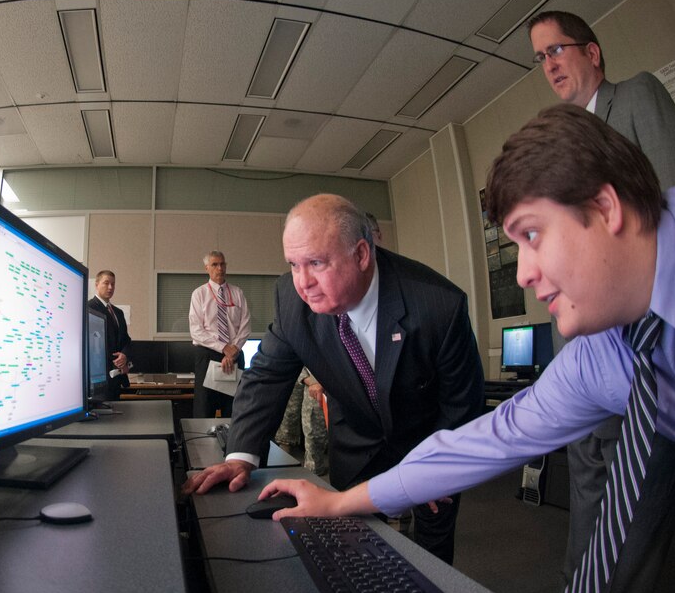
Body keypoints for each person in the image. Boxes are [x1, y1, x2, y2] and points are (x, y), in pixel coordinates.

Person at [259, 105, 675, 593]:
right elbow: (486, 440)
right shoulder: (602, 358)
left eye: (532, 236)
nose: (523, 274)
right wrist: (340, 502)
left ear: (605, 207)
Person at [528, 10, 675, 593]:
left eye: (558, 49)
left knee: (630, 537)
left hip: (647, 353)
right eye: (539, 56)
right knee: (586, 517)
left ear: (594, 52)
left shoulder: (637, 99)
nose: (548, 63)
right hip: (585, 361)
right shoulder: (566, 144)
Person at [183, 194, 484, 564]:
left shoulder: (438, 305)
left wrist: (438, 465)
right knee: (348, 551)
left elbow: (463, 403)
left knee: (430, 564)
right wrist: (240, 456)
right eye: (293, 264)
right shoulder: (292, 301)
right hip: (356, 446)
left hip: (426, 445)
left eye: (316, 263)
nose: (303, 282)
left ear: (361, 254)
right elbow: (265, 376)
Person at [189, 251, 250, 418]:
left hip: (234, 355)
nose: (220, 268)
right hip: (208, 355)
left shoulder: (237, 293)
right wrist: (224, 348)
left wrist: (233, 349)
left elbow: (245, 326)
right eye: (215, 265)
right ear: (207, 268)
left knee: (233, 410)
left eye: (222, 264)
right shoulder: (199, 294)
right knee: (204, 410)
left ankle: (232, 444)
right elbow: (196, 330)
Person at [87, 270, 131, 400]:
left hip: (117, 377)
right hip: (100, 379)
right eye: (106, 283)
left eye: (113, 284)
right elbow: (91, 344)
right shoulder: (89, 308)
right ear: (96, 284)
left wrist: (124, 355)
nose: (110, 287)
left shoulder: (118, 312)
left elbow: (126, 340)